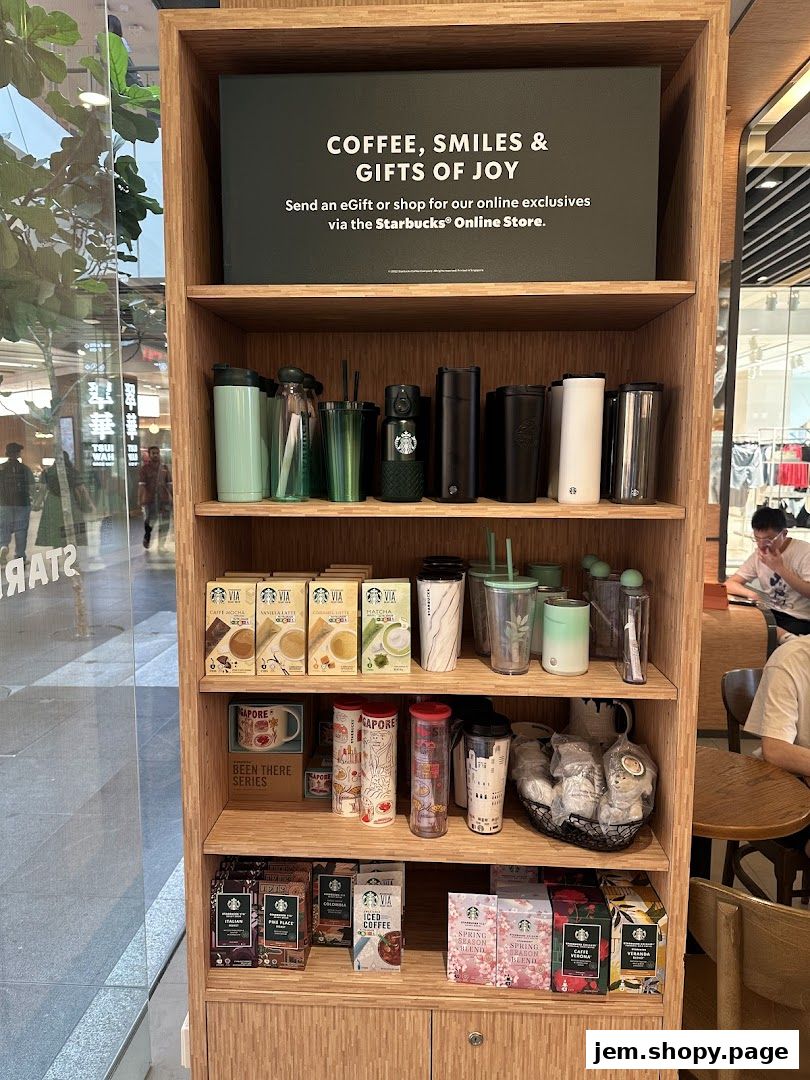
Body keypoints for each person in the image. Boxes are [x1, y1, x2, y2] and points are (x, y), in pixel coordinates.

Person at [726, 505, 810, 636]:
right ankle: (783, 636)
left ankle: (786, 639)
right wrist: (752, 595)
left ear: (784, 533)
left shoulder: (805, 553)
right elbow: (730, 583)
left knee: (764, 631)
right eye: (757, 539)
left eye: (768, 540)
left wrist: (779, 568)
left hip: (800, 619)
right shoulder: (759, 555)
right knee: (740, 624)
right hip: (773, 613)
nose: (761, 545)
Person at [36, 452, 94, 549]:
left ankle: (55, 558)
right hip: (71, 501)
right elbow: (82, 489)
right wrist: (89, 503)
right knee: (72, 529)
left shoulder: (47, 472)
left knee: (55, 530)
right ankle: (72, 555)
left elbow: (42, 490)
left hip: (53, 502)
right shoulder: (73, 471)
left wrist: (37, 503)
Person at [0, 442, 35, 565]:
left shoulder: (1, 469)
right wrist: (36, 501)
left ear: (6, 454)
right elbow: (32, 487)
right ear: (18, 454)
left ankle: (3, 546)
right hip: (22, 503)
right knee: (21, 530)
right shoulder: (25, 469)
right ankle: (20, 556)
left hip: (4, 504)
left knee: (3, 527)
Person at [138, 445, 172, 550]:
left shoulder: (164, 468)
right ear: (149, 454)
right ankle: (147, 537)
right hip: (150, 500)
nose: (156, 455)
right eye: (153, 453)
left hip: (164, 499)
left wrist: (173, 498)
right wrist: (140, 500)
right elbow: (142, 486)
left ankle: (161, 545)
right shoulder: (145, 469)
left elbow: (169, 484)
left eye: (157, 453)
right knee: (150, 521)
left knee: (165, 523)